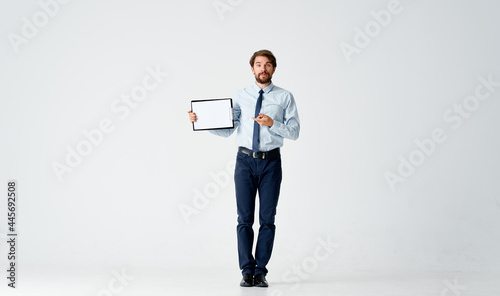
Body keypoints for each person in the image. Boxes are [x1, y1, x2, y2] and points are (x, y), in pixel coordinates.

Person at [188, 49, 300, 288]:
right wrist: (202, 122)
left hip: (271, 162)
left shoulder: (285, 97)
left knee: (267, 219)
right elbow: (229, 129)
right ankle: (246, 271)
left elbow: (295, 131)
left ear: (273, 69)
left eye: (268, 65)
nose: (263, 69)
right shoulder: (241, 96)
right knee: (244, 219)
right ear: (252, 69)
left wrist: (273, 123)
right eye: (258, 65)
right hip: (244, 162)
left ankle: (261, 272)